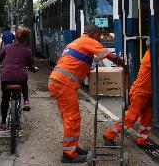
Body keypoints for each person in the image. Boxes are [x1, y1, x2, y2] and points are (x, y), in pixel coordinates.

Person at [48, 25, 126, 163]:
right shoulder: (89, 41)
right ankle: (69, 154)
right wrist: (124, 66)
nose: (100, 38)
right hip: (64, 84)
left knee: (70, 117)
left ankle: (74, 147)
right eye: (99, 35)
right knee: (72, 118)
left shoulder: (76, 41)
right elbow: (111, 57)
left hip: (59, 82)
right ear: (93, 33)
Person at [104, 39, 153, 148]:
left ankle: (142, 140)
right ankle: (109, 134)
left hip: (146, 93)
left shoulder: (150, 55)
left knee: (147, 118)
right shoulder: (150, 57)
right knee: (131, 118)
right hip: (140, 92)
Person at [0, 27, 38, 131]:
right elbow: (31, 66)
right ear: (26, 39)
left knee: (5, 100)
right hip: (20, 77)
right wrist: (34, 70)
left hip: (6, 77)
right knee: (24, 81)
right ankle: (26, 101)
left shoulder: (7, 47)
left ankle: (3, 124)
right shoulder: (28, 51)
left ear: (15, 37)